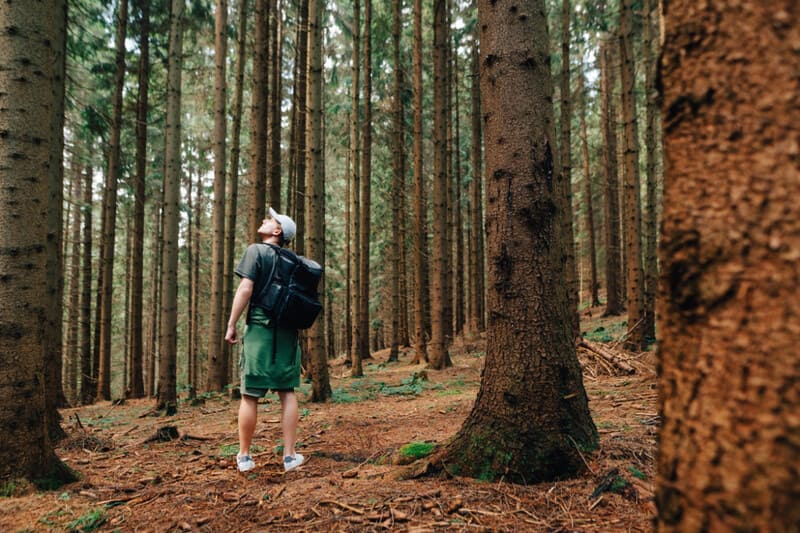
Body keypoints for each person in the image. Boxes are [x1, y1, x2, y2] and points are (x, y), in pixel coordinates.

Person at [225, 207, 305, 473]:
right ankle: (290, 456)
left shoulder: (255, 251)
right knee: (287, 392)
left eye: (270, 220)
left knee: (250, 394)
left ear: (277, 231)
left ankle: (245, 456)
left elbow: (246, 288)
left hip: (260, 327)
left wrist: (231, 322)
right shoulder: (294, 260)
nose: (264, 220)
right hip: (287, 330)